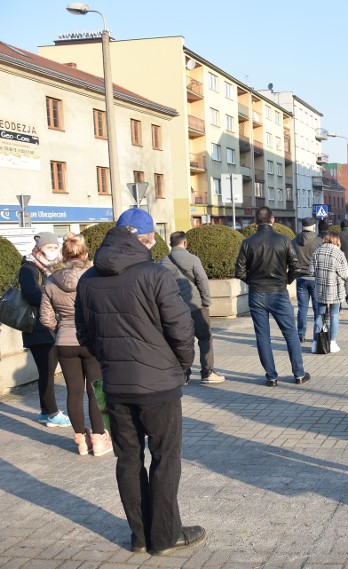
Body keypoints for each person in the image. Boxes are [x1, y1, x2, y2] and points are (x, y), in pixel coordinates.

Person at [75, 209, 204, 555]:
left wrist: (109, 361)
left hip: (115, 385)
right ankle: (164, 536)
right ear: (145, 237)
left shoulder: (88, 279)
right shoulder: (155, 274)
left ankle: (141, 536)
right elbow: (181, 328)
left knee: (128, 459)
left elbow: (84, 335)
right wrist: (182, 366)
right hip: (158, 384)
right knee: (165, 458)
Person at [40, 233, 112, 456]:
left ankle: (81, 440)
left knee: (73, 391)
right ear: (86, 254)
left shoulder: (50, 281)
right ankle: (99, 440)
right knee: (96, 390)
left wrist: (59, 330)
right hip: (90, 340)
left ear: (62, 254)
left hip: (64, 341)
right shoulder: (92, 278)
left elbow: (45, 317)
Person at [235, 207, 310, 386]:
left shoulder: (247, 242)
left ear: (255, 221)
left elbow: (239, 270)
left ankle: (271, 376)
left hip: (257, 293)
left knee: (262, 335)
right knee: (290, 333)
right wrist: (286, 280)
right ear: (273, 220)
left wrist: (252, 281)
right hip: (278, 292)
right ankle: (299, 374)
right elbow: (296, 266)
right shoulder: (283, 240)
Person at [161, 231, 225, 385]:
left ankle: (183, 374)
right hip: (196, 305)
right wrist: (206, 301)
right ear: (184, 243)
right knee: (204, 338)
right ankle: (207, 372)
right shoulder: (192, 259)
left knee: (179, 341)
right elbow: (202, 280)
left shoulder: (162, 262)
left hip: (174, 308)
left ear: (171, 243)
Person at [20, 232, 71, 427]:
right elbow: (32, 294)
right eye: (50, 248)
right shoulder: (29, 268)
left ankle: (44, 411)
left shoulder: (51, 268)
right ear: (40, 248)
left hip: (50, 327)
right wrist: (54, 294)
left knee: (47, 371)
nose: (54, 251)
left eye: (55, 247)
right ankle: (51, 413)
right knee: (47, 372)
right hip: (38, 328)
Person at [308, 231, 348, 353]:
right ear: (336, 241)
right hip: (335, 289)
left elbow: (311, 272)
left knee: (319, 316)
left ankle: (316, 343)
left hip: (320, 289)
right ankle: (332, 343)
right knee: (334, 315)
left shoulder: (317, 252)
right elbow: (345, 274)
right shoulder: (339, 253)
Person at [292, 217, 323, 343]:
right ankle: (317, 335)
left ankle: (301, 334)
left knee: (302, 308)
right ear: (314, 226)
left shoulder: (294, 241)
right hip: (315, 277)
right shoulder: (319, 241)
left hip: (301, 278)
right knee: (317, 308)